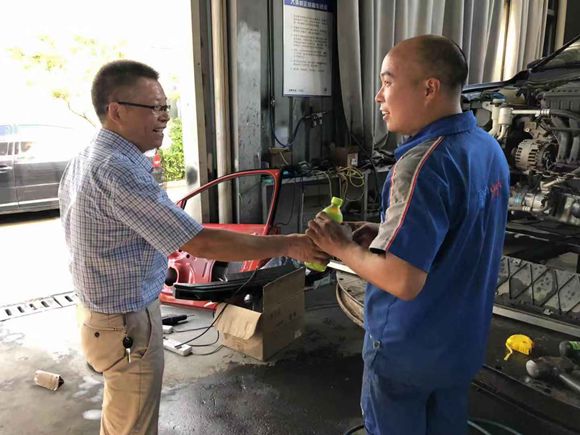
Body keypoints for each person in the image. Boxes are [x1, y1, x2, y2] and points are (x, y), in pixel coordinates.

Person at [59, 59, 326, 435]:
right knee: (132, 426)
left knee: (122, 416)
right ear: (116, 110)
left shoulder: (89, 156)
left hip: (101, 315)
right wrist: (291, 245)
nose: (164, 117)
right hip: (124, 321)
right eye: (154, 107)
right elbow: (200, 242)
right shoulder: (118, 169)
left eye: (165, 106)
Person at [307, 35, 509, 434]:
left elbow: (403, 280)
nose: (378, 96)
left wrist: (341, 247)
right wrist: (387, 234)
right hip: (460, 345)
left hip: (408, 351)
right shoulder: (486, 148)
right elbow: (458, 232)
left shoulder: (421, 163)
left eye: (387, 81)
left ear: (429, 88)